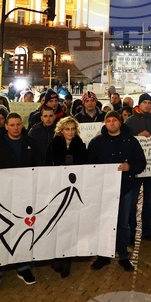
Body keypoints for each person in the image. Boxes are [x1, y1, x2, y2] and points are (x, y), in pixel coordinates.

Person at [0, 113, 44, 291]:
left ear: (22, 126)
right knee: (1, 230)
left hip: (25, 194)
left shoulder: (31, 143)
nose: (15, 128)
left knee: (24, 230)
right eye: (12, 125)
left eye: (18, 124)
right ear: (6, 127)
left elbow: (40, 165)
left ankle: (23, 267)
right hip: (2, 195)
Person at [87, 111, 146, 271]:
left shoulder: (131, 141)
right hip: (104, 190)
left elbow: (142, 162)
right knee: (105, 221)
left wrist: (130, 167)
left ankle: (123, 255)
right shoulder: (97, 142)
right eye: (108, 121)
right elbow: (89, 165)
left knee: (123, 223)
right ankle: (104, 255)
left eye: (114, 120)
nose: (111, 123)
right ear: (105, 124)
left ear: (120, 122)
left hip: (126, 188)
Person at [47, 117, 88, 278]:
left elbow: (85, 163)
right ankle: (56, 255)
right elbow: (47, 164)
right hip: (56, 188)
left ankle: (67, 258)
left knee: (70, 223)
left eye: (72, 129)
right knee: (56, 222)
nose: (70, 132)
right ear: (61, 130)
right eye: (67, 129)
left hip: (74, 188)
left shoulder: (80, 145)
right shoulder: (54, 144)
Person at [125, 93, 151, 242]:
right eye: (144, 102)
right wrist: (138, 135)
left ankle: (146, 230)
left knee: (149, 201)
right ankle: (131, 231)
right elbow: (126, 143)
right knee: (133, 202)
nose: (147, 105)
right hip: (136, 169)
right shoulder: (130, 122)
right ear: (139, 104)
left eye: (149, 102)